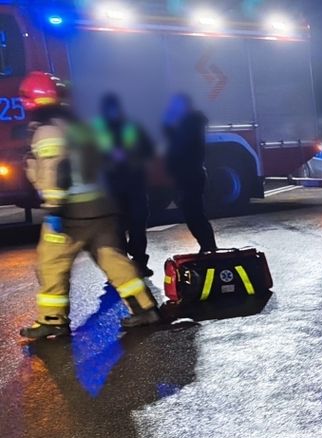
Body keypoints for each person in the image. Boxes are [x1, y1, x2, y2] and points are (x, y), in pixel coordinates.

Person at [18, 72, 160, 341]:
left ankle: (52, 320)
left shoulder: (46, 131)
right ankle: (145, 309)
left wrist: (54, 208)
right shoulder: (77, 124)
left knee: (51, 263)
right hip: (103, 208)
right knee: (114, 260)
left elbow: (54, 170)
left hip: (72, 214)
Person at [92, 92, 155, 275]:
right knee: (121, 228)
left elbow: (148, 150)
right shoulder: (101, 129)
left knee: (134, 227)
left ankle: (137, 263)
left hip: (130, 186)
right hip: (118, 188)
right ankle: (129, 264)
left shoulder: (130, 127)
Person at [162, 93, 217, 253]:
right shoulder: (190, 123)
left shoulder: (191, 123)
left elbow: (180, 145)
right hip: (188, 175)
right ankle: (207, 247)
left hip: (190, 175)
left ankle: (208, 247)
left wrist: (168, 127)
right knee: (194, 214)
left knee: (194, 214)